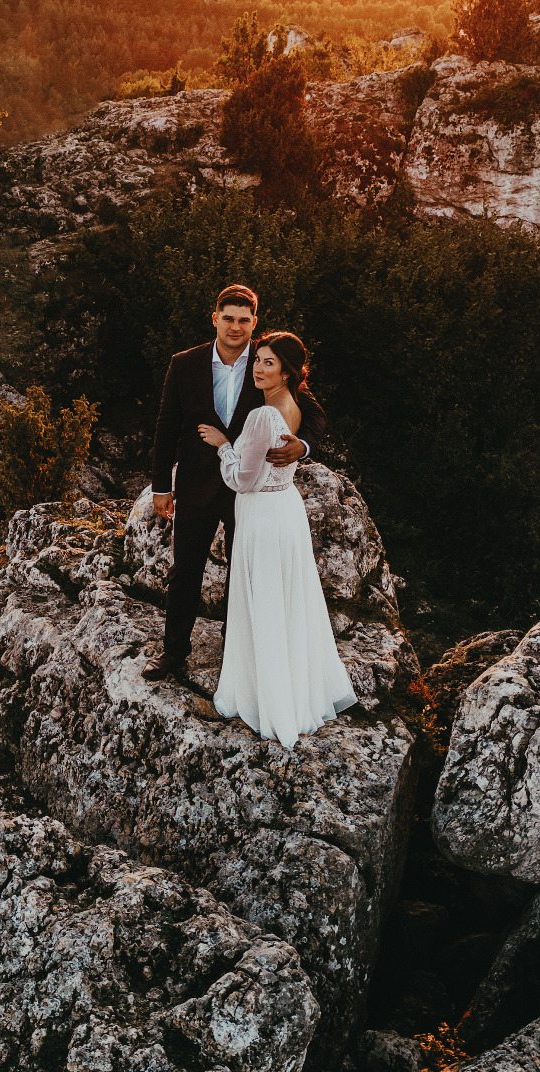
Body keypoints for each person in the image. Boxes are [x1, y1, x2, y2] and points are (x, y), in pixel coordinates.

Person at [143, 284, 325, 688]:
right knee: (185, 570)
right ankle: (174, 651)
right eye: (229, 317)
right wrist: (160, 485)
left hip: (251, 491)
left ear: (254, 323)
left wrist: (303, 445)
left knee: (245, 574)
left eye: (245, 319)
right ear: (215, 318)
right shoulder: (184, 363)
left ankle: (236, 658)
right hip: (195, 483)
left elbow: (311, 411)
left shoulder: (268, 361)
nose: (236, 326)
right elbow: (166, 425)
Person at [195, 331, 356, 748]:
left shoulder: (263, 415)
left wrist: (223, 447)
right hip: (286, 508)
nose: (259, 368)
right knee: (288, 599)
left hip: (262, 514)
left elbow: (243, 480)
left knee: (263, 600)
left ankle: (267, 699)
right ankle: (295, 691)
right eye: (258, 361)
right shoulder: (290, 404)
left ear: (288, 370)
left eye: (269, 362)